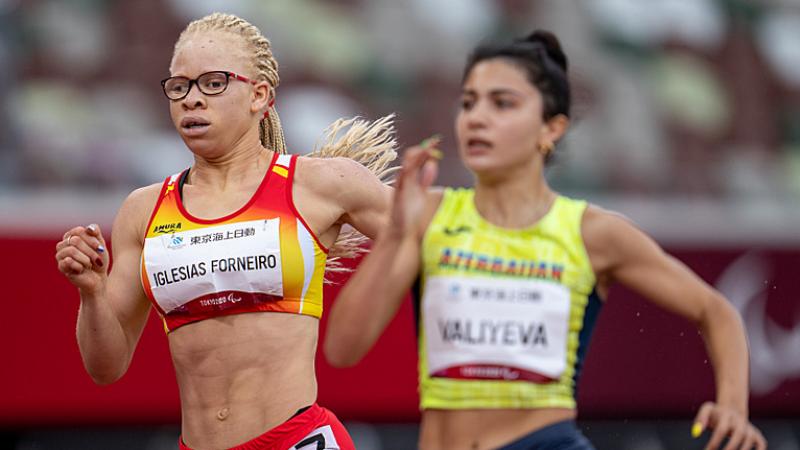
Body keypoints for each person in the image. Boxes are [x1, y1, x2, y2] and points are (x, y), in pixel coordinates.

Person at [324, 31, 767, 450]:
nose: (477, 117)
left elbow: (717, 311)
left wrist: (732, 405)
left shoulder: (593, 232)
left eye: (503, 103)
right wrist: (398, 234)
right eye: (469, 103)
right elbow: (342, 351)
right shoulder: (427, 215)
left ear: (551, 129)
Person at [54, 12, 397, 450]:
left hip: (297, 439)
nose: (192, 100)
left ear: (259, 96)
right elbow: (106, 368)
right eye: (180, 86)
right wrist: (91, 291)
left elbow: (435, 244)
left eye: (213, 83)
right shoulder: (144, 210)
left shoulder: (321, 183)